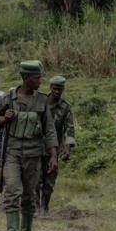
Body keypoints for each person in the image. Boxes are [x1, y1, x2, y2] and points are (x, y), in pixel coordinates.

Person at [0, 60, 57, 231]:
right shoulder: (9, 98)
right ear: (25, 78)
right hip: (13, 151)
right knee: (12, 190)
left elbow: (49, 129)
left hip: (33, 153)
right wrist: (2, 120)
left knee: (29, 195)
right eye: (36, 77)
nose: (40, 81)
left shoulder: (42, 100)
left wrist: (53, 155)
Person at [39, 75, 76, 218]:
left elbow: (69, 128)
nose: (57, 92)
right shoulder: (41, 102)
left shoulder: (65, 107)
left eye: (59, 89)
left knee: (49, 178)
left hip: (52, 148)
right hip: (36, 145)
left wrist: (67, 147)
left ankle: (45, 207)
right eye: (54, 89)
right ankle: (35, 205)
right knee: (35, 178)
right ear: (50, 88)